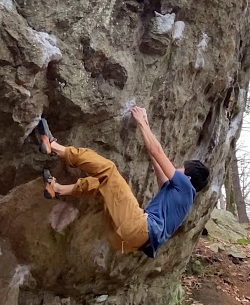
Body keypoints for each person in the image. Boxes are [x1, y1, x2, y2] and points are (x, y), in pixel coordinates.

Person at [36, 106, 209, 257]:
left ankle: (55, 147)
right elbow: (155, 161)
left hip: (138, 227)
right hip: (126, 242)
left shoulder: (185, 186)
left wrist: (140, 121)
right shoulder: (181, 197)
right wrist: (146, 125)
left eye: (181, 168)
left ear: (188, 177)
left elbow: (157, 152)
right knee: (102, 183)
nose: (176, 168)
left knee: (108, 170)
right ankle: (57, 189)